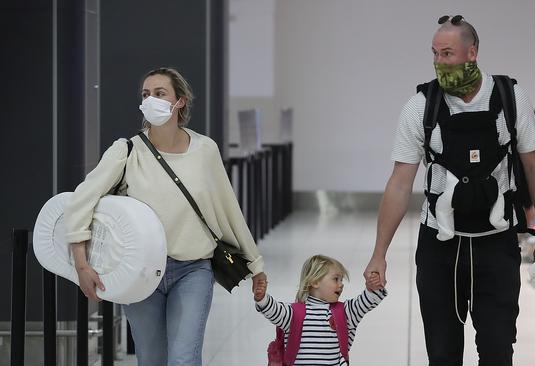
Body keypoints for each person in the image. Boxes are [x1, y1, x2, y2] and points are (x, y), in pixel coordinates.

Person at [363, 15, 535, 365]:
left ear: (472, 53)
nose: (439, 62)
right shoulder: (421, 107)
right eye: (435, 54)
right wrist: (380, 252)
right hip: (440, 248)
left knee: (498, 351)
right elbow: (399, 183)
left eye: (447, 53)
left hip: (496, 245)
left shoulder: (510, 99)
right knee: (442, 354)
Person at [64, 67, 267, 366]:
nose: (151, 100)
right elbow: (82, 200)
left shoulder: (204, 150)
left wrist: (255, 263)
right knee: (151, 360)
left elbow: (228, 210)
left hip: (193, 270)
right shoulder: (127, 150)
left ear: (180, 102)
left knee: (184, 358)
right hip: (140, 272)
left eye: (160, 94)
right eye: (146, 95)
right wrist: (81, 264)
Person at [253, 254, 387, 365]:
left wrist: (372, 288)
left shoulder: (344, 313)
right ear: (315, 282)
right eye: (336, 279)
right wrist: (262, 298)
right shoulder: (294, 314)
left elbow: (363, 304)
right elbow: (274, 311)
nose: (341, 285)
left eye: (341, 280)